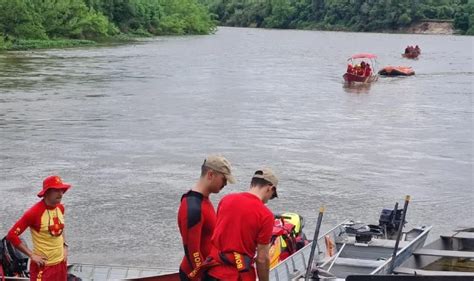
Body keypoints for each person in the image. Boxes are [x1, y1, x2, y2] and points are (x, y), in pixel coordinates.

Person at [204, 168, 279, 281]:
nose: (268, 200)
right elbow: (262, 259)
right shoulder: (266, 215)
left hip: (212, 271)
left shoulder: (226, 200)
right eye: (272, 196)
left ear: (252, 184)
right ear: (270, 188)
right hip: (236, 276)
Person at [178, 155, 236, 281]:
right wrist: (203, 277)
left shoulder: (203, 200)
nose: (225, 184)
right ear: (210, 174)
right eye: (223, 179)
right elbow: (193, 251)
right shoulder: (193, 207)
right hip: (194, 275)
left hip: (208, 271)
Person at [6, 175, 71, 281]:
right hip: (43, 266)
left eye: (62, 190)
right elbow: (12, 235)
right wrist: (31, 255)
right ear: (46, 192)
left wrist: (65, 246)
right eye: (56, 190)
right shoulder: (34, 213)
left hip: (60, 264)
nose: (60, 194)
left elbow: (60, 227)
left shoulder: (60, 208)